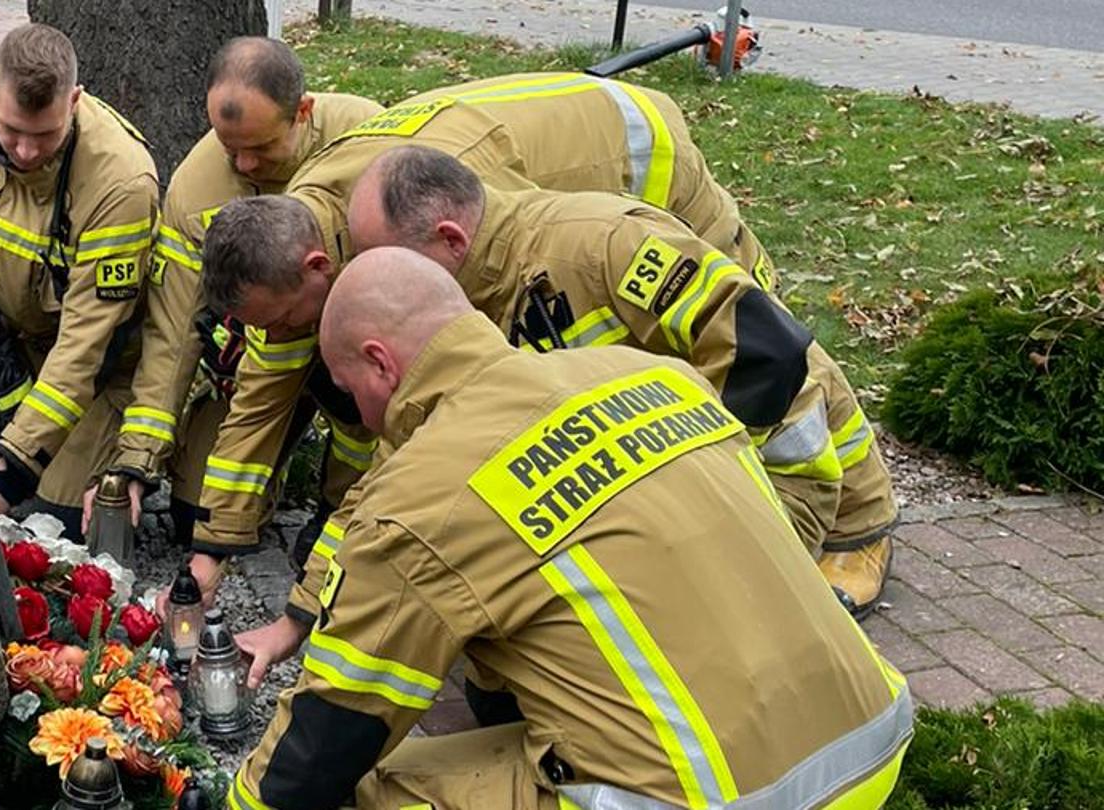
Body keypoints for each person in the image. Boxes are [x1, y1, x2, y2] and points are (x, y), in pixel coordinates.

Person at [224, 247, 911, 810]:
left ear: (380, 362)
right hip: (871, 737)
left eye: (351, 391)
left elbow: (331, 732)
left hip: (719, 801)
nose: (365, 419)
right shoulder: (656, 374)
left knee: (365, 786)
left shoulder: (420, 498)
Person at [174, 71, 800, 612]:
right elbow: (265, 404)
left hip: (641, 153)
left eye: (282, 322)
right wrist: (215, 549)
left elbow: (768, 347)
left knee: (753, 329)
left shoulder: (471, 238)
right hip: (555, 205)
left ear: (319, 267)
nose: (279, 339)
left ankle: (860, 518)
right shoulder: (313, 242)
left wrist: (693, 484)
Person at [345, 146, 895, 613]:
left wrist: (691, 486)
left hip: (779, 469)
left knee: (638, 613)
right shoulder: (460, 298)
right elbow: (402, 458)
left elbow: (765, 351)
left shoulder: (600, 243)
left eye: (386, 259)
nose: (375, 281)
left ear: (450, 239)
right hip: (662, 473)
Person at [87, 37, 381, 559]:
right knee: (196, 514)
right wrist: (136, 459)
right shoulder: (196, 190)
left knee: (357, 405)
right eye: (229, 148)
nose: (244, 166)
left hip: (361, 338)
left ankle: (343, 509)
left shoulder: (369, 143)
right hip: (262, 359)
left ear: (303, 113)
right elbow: (172, 332)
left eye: (262, 149)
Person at [0, 23, 158, 534]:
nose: (25, 152)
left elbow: (85, 348)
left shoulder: (120, 181)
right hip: (13, 338)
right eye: (12, 131)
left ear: (76, 101)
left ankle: (28, 441)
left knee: (49, 514)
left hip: (98, 367)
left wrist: (9, 469)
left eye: (45, 136)